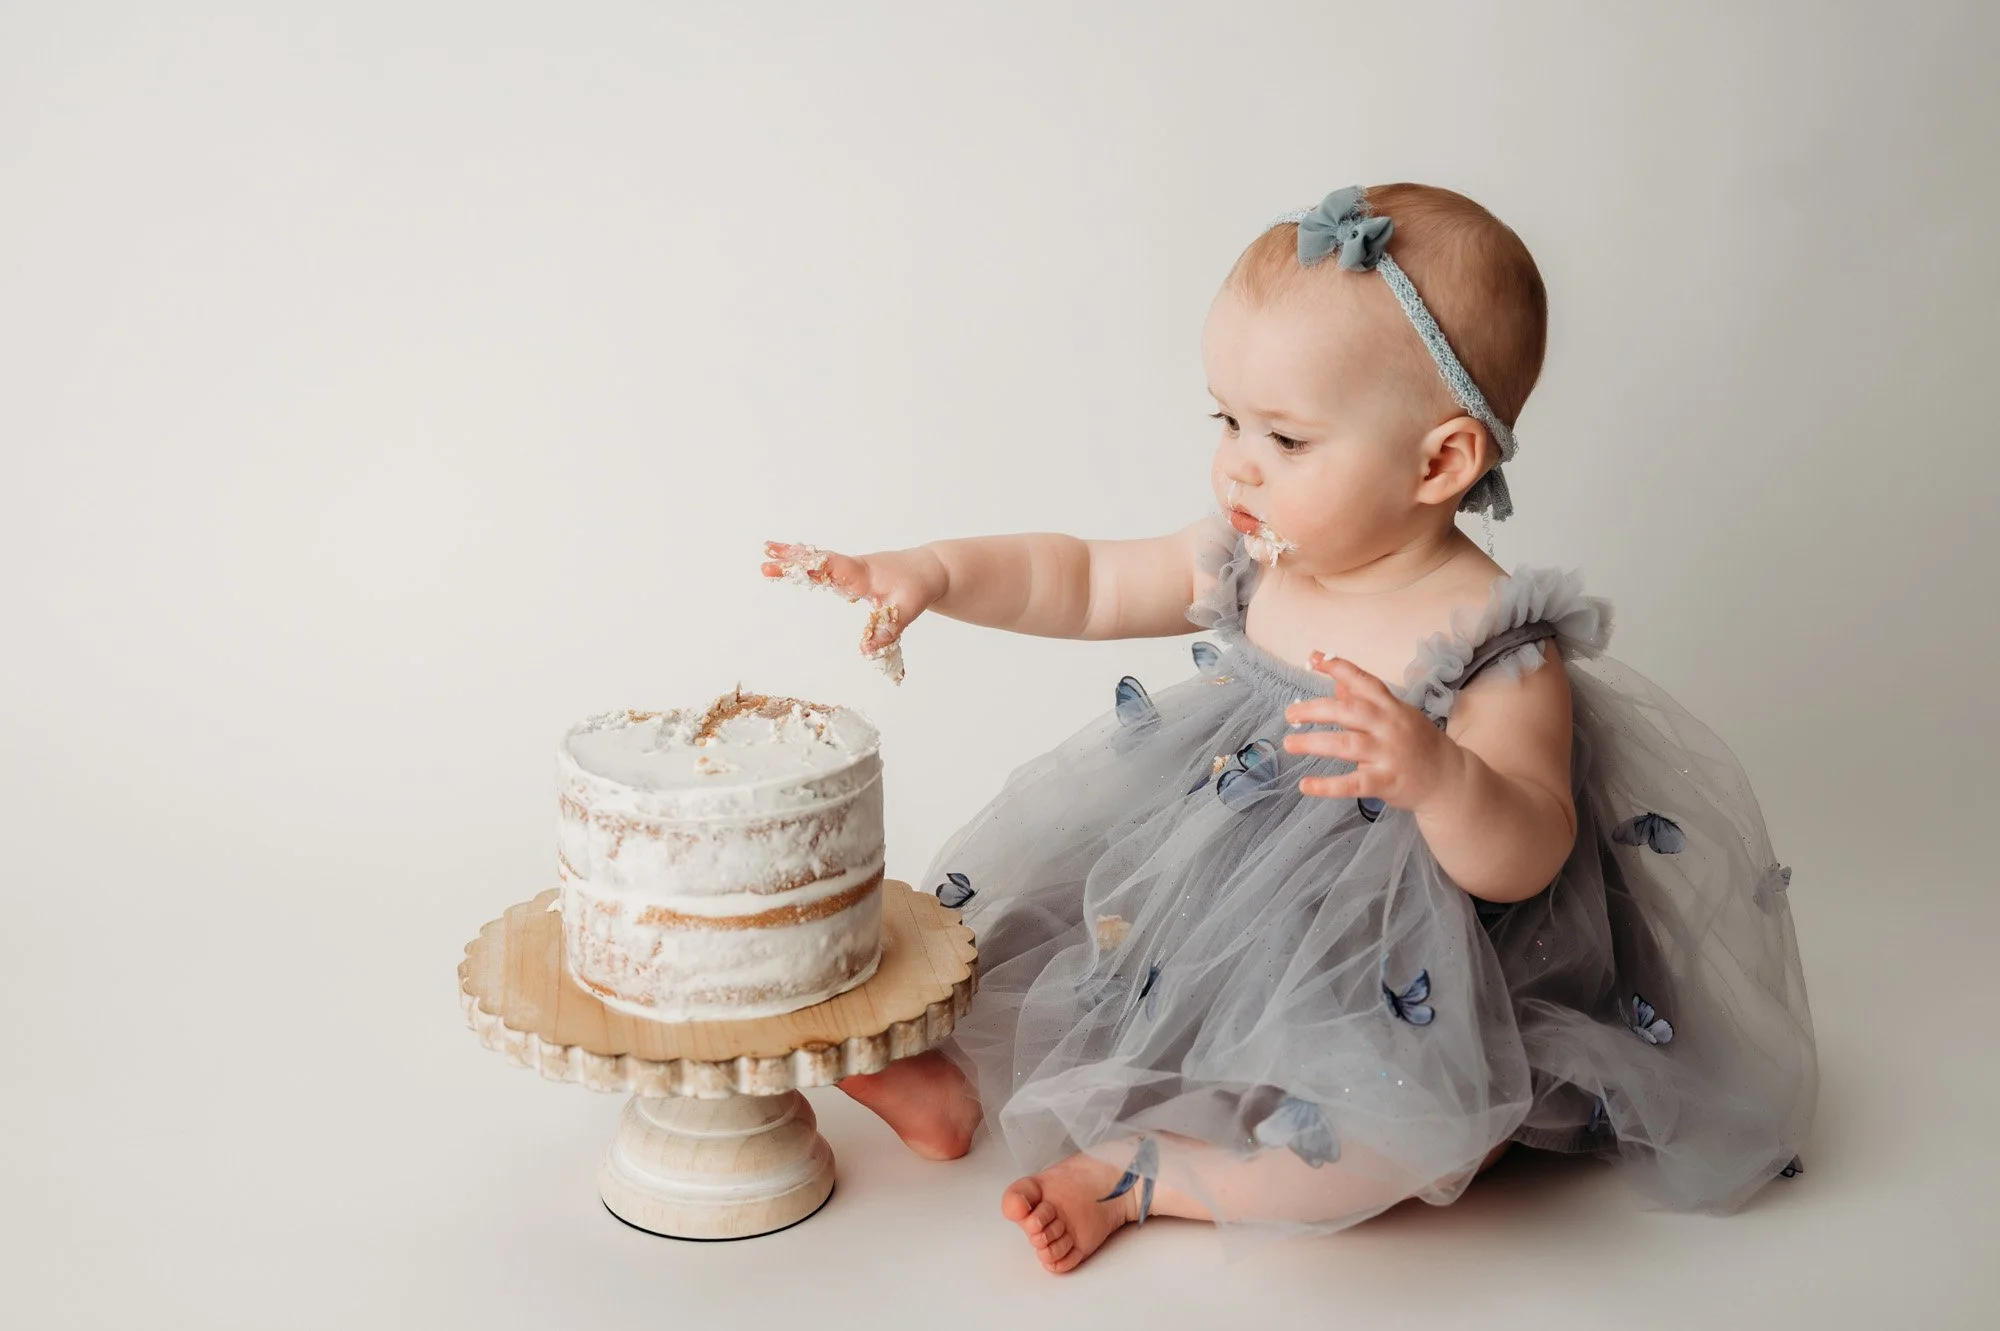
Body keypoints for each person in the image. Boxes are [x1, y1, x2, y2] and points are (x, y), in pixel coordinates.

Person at [761, 184, 1816, 1272]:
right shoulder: (1258, 551)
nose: (1237, 464)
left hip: (1388, 942)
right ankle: (946, 1084)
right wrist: (931, 570)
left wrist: (1440, 775)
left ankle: (1150, 1172)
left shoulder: (1493, 642)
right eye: (1223, 419)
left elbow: (1529, 849)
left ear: (1438, 462)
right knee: (1045, 941)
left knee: (1401, 1124)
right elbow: (1073, 578)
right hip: (1204, 887)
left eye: (1284, 436)